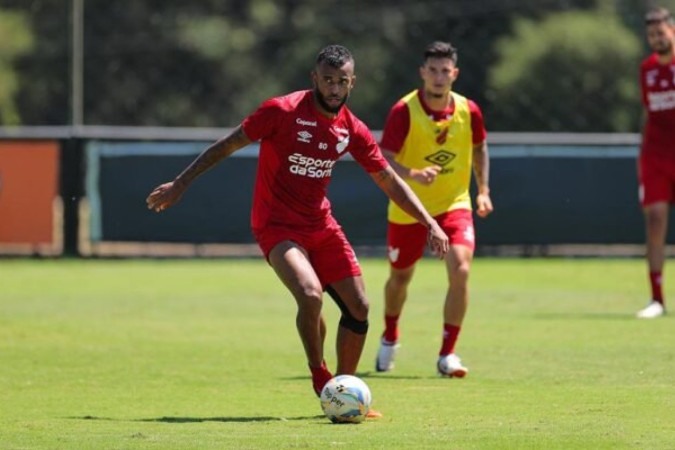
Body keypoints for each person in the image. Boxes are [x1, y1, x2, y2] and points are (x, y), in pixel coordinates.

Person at [145, 45, 450, 413]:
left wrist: (429, 222)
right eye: (327, 80)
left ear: (352, 82)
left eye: (342, 81)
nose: (334, 88)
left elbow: (387, 179)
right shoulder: (281, 111)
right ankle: (321, 376)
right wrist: (181, 183)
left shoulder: (352, 128)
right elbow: (227, 145)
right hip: (275, 224)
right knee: (309, 295)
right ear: (314, 78)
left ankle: (345, 392)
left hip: (321, 224)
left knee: (360, 306)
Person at [375, 41, 493, 377]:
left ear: (455, 73)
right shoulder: (404, 111)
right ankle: (389, 334)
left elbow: (480, 147)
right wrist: (413, 175)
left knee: (462, 269)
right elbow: (384, 159)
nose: (439, 77)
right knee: (399, 278)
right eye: (433, 70)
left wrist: (483, 190)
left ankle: (447, 354)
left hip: (454, 204)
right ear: (422, 73)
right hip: (409, 209)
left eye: (446, 71)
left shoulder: (469, 110)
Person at [637, 7, 675, 319]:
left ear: (671, 31)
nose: (657, 39)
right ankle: (657, 298)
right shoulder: (646, 69)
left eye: (661, 33)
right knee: (655, 220)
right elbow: (649, 112)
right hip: (655, 154)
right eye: (652, 35)